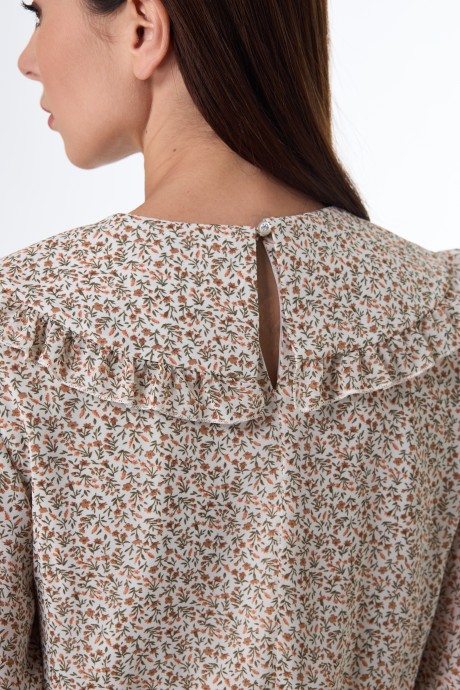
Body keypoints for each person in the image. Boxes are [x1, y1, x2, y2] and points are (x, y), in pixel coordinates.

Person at [1, 0, 458, 688]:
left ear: (143, 28)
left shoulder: (25, 326)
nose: (27, 59)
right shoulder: (440, 316)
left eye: (37, 12)